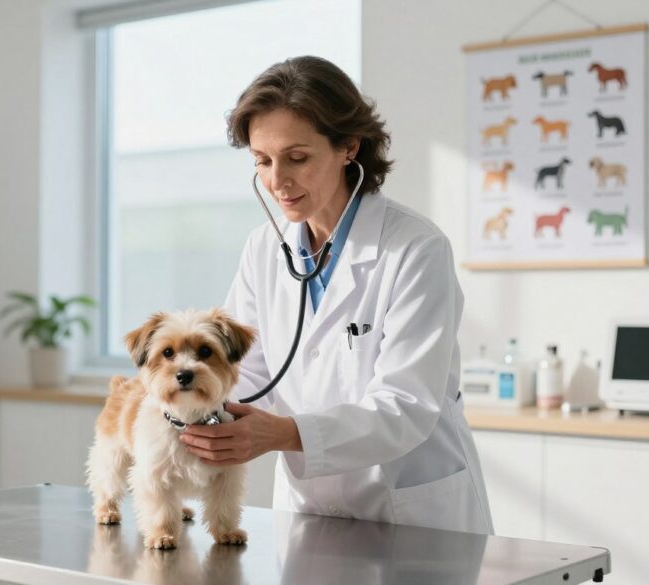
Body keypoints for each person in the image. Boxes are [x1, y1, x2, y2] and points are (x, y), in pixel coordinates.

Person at [177, 56, 493, 534]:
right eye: (262, 160)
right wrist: (181, 402)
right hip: (308, 508)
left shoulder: (415, 249)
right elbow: (243, 371)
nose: (276, 179)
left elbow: (407, 405)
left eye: (297, 157)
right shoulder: (264, 248)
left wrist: (284, 433)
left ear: (349, 146)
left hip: (409, 508)